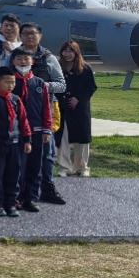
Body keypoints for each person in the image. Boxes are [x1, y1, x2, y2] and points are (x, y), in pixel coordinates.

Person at [20, 23, 66, 205]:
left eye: (33, 33)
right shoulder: (14, 55)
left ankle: (47, 188)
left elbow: (62, 85)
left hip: (45, 109)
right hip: (20, 109)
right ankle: (23, 192)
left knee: (47, 152)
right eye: (25, 33)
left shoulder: (49, 58)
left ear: (40, 35)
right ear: (20, 36)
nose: (29, 37)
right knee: (22, 151)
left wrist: (41, 86)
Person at [0, 67, 32, 217]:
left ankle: (11, 203)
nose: (11, 85)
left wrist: (27, 140)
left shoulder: (15, 99)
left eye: (13, 82)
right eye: (7, 82)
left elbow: (23, 120)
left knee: (13, 174)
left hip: (14, 142)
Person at [9, 48, 52, 213]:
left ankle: (31, 198)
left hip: (37, 130)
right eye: (19, 59)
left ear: (32, 61)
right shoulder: (10, 82)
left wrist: (47, 129)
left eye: (26, 59)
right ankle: (15, 198)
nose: (22, 62)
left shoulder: (40, 83)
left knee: (35, 166)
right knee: (17, 166)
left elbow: (46, 108)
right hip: (15, 131)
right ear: (13, 61)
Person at [57, 41, 97, 177]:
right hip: (64, 108)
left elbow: (91, 87)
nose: (67, 54)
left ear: (76, 52)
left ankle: (82, 167)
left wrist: (78, 98)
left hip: (80, 109)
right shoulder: (58, 67)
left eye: (71, 51)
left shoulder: (85, 68)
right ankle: (65, 167)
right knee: (63, 137)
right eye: (65, 51)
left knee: (82, 139)